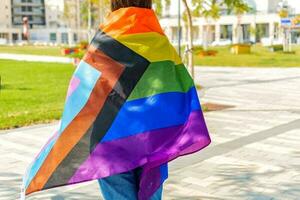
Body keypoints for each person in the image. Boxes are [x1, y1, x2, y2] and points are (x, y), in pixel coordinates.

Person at [22, 0, 210, 200]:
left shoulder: (108, 41)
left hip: (111, 142)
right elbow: (181, 89)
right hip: (151, 140)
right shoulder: (159, 43)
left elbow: (84, 90)